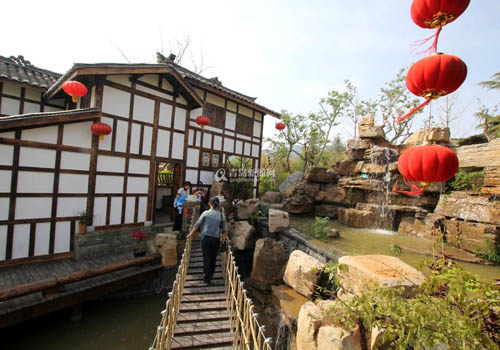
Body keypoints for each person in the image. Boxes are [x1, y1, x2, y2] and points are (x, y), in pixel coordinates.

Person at [187, 196, 227, 285]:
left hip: (206, 238)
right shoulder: (222, 215)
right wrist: (226, 238)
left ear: (210, 203)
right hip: (216, 240)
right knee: (213, 258)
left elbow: (197, 224)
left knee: (206, 258)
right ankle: (210, 275)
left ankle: (207, 278)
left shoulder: (205, 213)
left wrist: (190, 234)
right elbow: (224, 229)